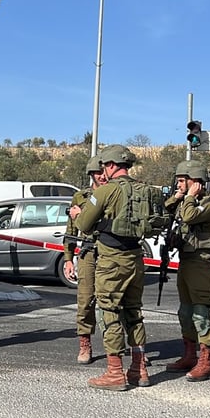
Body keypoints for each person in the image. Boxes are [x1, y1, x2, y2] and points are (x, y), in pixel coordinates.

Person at [73, 144, 150, 391]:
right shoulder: (144, 190)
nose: (103, 171)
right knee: (134, 313)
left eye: (105, 165)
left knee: (110, 312)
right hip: (136, 258)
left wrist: (76, 213)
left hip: (111, 260)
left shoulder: (106, 191)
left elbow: (85, 225)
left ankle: (115, 372)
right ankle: (140, 369)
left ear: (111, 165)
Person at [162, 159, 210, 382]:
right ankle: (189, 355)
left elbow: (188, 216)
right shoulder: (186, 201)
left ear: (195, 182)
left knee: (200, 312)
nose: (178, 185)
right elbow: (168, 209)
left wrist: (187, 197)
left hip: (201, 263)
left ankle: (205, 361)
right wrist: (179, 196)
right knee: (185, 312)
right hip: (186, 261)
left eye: (181, 181)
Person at [65, 155, 107, 365]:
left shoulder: (114, 194)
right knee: (85, 300)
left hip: (110, 252)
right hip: (88, 253)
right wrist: (68, 259)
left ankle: (116, 344)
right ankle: (85, 343)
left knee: (115, 300)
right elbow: (71, 231)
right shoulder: (80, 197)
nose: (103, 176)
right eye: (98, 173)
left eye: (105, 172)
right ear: (91, 175)